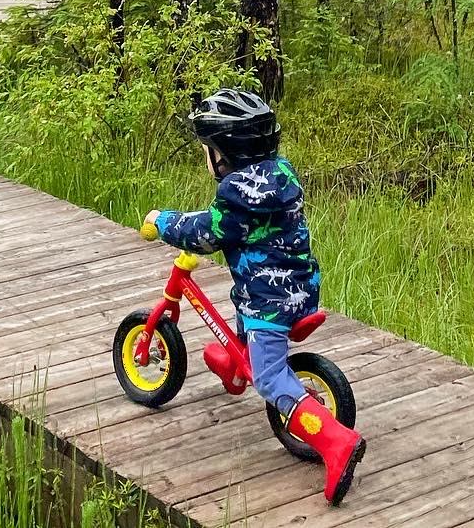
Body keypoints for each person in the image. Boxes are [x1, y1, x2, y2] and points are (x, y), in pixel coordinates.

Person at [143, 89, 366, 507]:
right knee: (245, 312)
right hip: (299, 287)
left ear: (223, 154)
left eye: (208, 149)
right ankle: (234, 360)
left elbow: (206, 232)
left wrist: (163, 221)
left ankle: (337, 443)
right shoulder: (281, 173)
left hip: (268, 302)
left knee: (269, 378)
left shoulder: (232, 195)